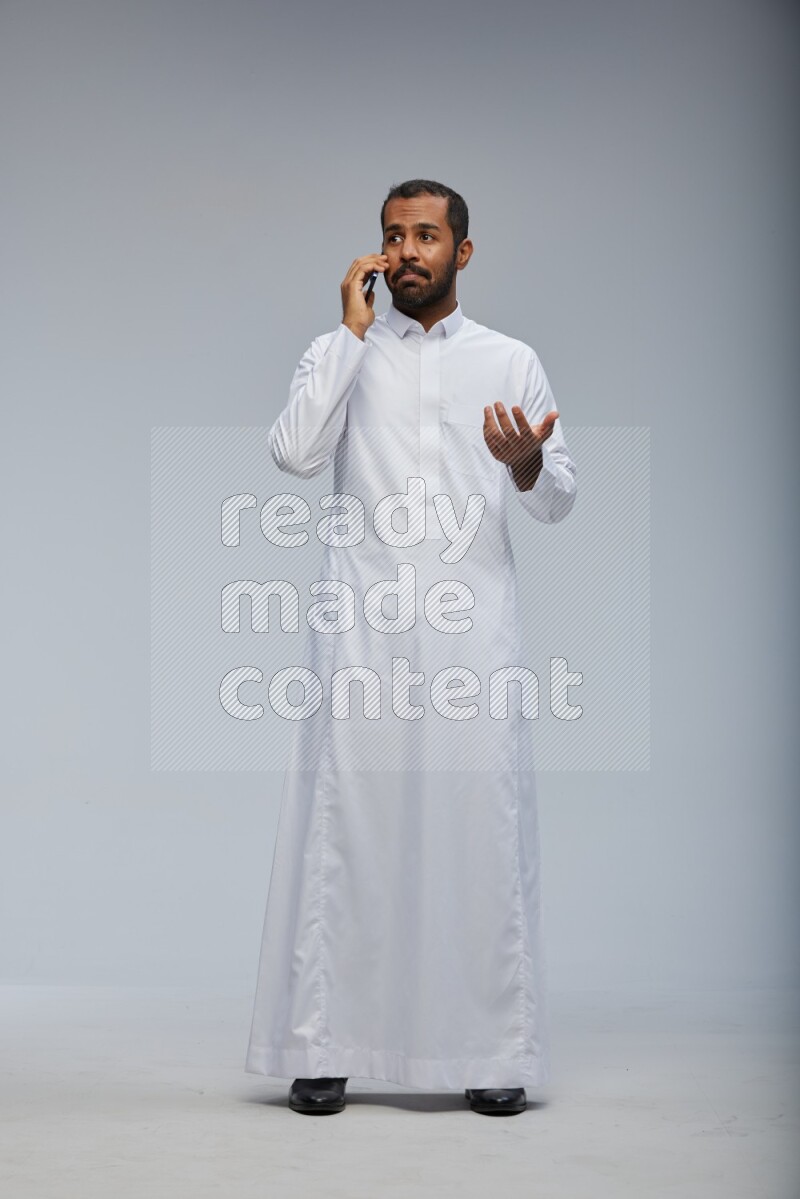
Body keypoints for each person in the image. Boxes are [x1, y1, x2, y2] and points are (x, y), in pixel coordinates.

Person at [245, 179, 577, 1116]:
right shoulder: (341, 352)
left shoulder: (509, 360)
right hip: (364, 633)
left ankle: (492, 1051)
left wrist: (526, 463)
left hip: (473, 636)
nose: (406, 252)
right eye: (393, 236)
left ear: (462, 252)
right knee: (348, 831)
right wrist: (349, 338)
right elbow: (294, 454)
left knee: (480, 833)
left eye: (426, 236)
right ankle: (324, 1046)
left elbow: (558, 499)